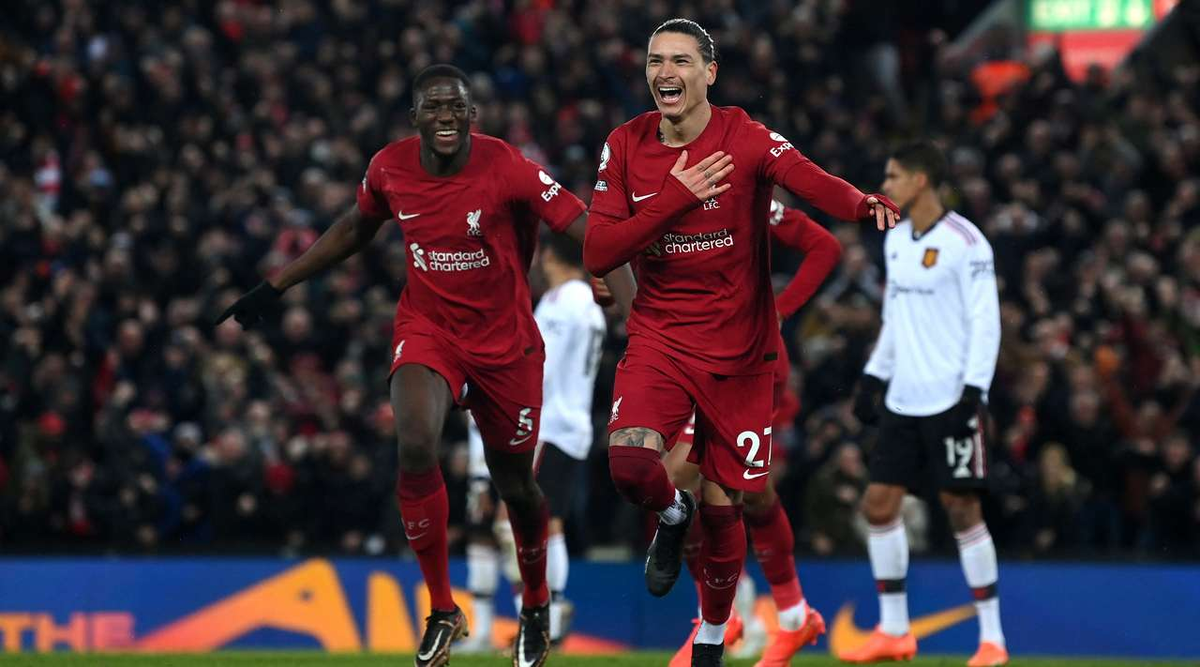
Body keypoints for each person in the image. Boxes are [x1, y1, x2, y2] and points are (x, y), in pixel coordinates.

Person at [217, 64, 631, 667]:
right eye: (434, 106)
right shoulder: (388, 168)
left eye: (456, 106)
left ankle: (536, 604)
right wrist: (277, 284)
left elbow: (585, 225)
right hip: (429, 329)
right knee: (414, 444)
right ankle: (443, 609)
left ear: (472, 115)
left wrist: (639, 306)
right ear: (414, 117)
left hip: (506, 346)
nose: (446, 116)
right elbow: (355, 227)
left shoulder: (506, 165)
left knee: (517, 488)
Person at [583, 18, 900, 667]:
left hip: (740, 352)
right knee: (636, 468)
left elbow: (812, 189)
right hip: (662, 339)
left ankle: (722, 632)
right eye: (655, 60)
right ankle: (690, 534)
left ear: (710, 73)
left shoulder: (744, 144)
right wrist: (673, 201)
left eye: (680, 60)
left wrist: (860, 205)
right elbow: (598, 249)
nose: (665, 72)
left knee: (735, 495)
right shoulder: (625, 145)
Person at [840, 141, 1006, 667]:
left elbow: (986, 321)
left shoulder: (967, 243)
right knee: (878, 505)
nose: (885, 186)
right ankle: (894, 630)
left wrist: (975, 391)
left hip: (951, 397)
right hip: (904, 400)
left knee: (962, 509)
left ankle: (992, 640)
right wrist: (872, 376)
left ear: (920, 181)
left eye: (893, 176)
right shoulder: (896, 240)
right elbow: (895, 318)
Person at [665, 201, 842, 667]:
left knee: (680, 477)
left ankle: (717, 619)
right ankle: (792, 615)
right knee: (748, 490)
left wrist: (780, 311)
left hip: (748, 358)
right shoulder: (664, 195)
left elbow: (824, 245)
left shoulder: (746, 196)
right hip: (690, 352)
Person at [459, 234, 608, 650]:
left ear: (549, 256)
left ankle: (542, 617)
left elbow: (540, 365)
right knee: (549, 521)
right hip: (571, 422)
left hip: (549, 425)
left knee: (514, 522)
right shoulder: (587, 302)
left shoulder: (563, 302)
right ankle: (550, 617)